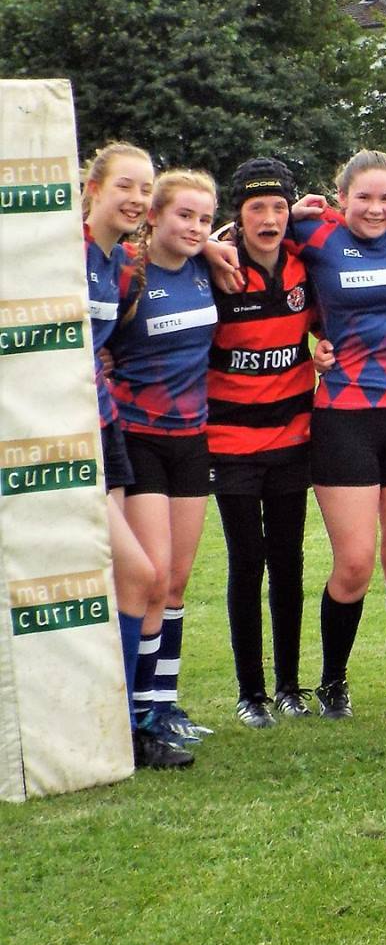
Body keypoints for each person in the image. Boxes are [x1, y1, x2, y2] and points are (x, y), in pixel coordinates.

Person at [291, 150, 386, 719]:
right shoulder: (314, 235)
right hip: (343, 414)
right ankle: (333, 683)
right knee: (353, 563)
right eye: (363, 198)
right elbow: (246, 242)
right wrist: (310, 340)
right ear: (340, 197)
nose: (376, 209)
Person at [109, 169, 220, 747]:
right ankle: (135, 709)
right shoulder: (128, 273)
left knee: (176, 580)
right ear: (153, 216)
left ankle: (164, 703)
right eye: (184, 215)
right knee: (149, 576)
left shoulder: (207, 269)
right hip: (138, 437)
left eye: (205, 218)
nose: (196, 227)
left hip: (191, 439)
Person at [206, 157, 316, 726]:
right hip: (230, 443)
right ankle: (251, 693)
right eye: (256, 208)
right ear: (238, 216)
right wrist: (207, 243)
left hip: (294, 439)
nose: (269, 218)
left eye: (278, 207)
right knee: (247, 562)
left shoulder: (303, 266)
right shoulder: (218, 268)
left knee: (289, 561)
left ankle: (291, 687)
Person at [82, 144, 178, 767]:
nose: (137, 199)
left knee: (128, 578)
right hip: (57, 440)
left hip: (106, 428)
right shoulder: (57, 250)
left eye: (146, 188)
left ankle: (128, 723)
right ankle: (115, 724)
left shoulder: (122, 267)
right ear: (91, 187)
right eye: (125, 185)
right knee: (141, 575)